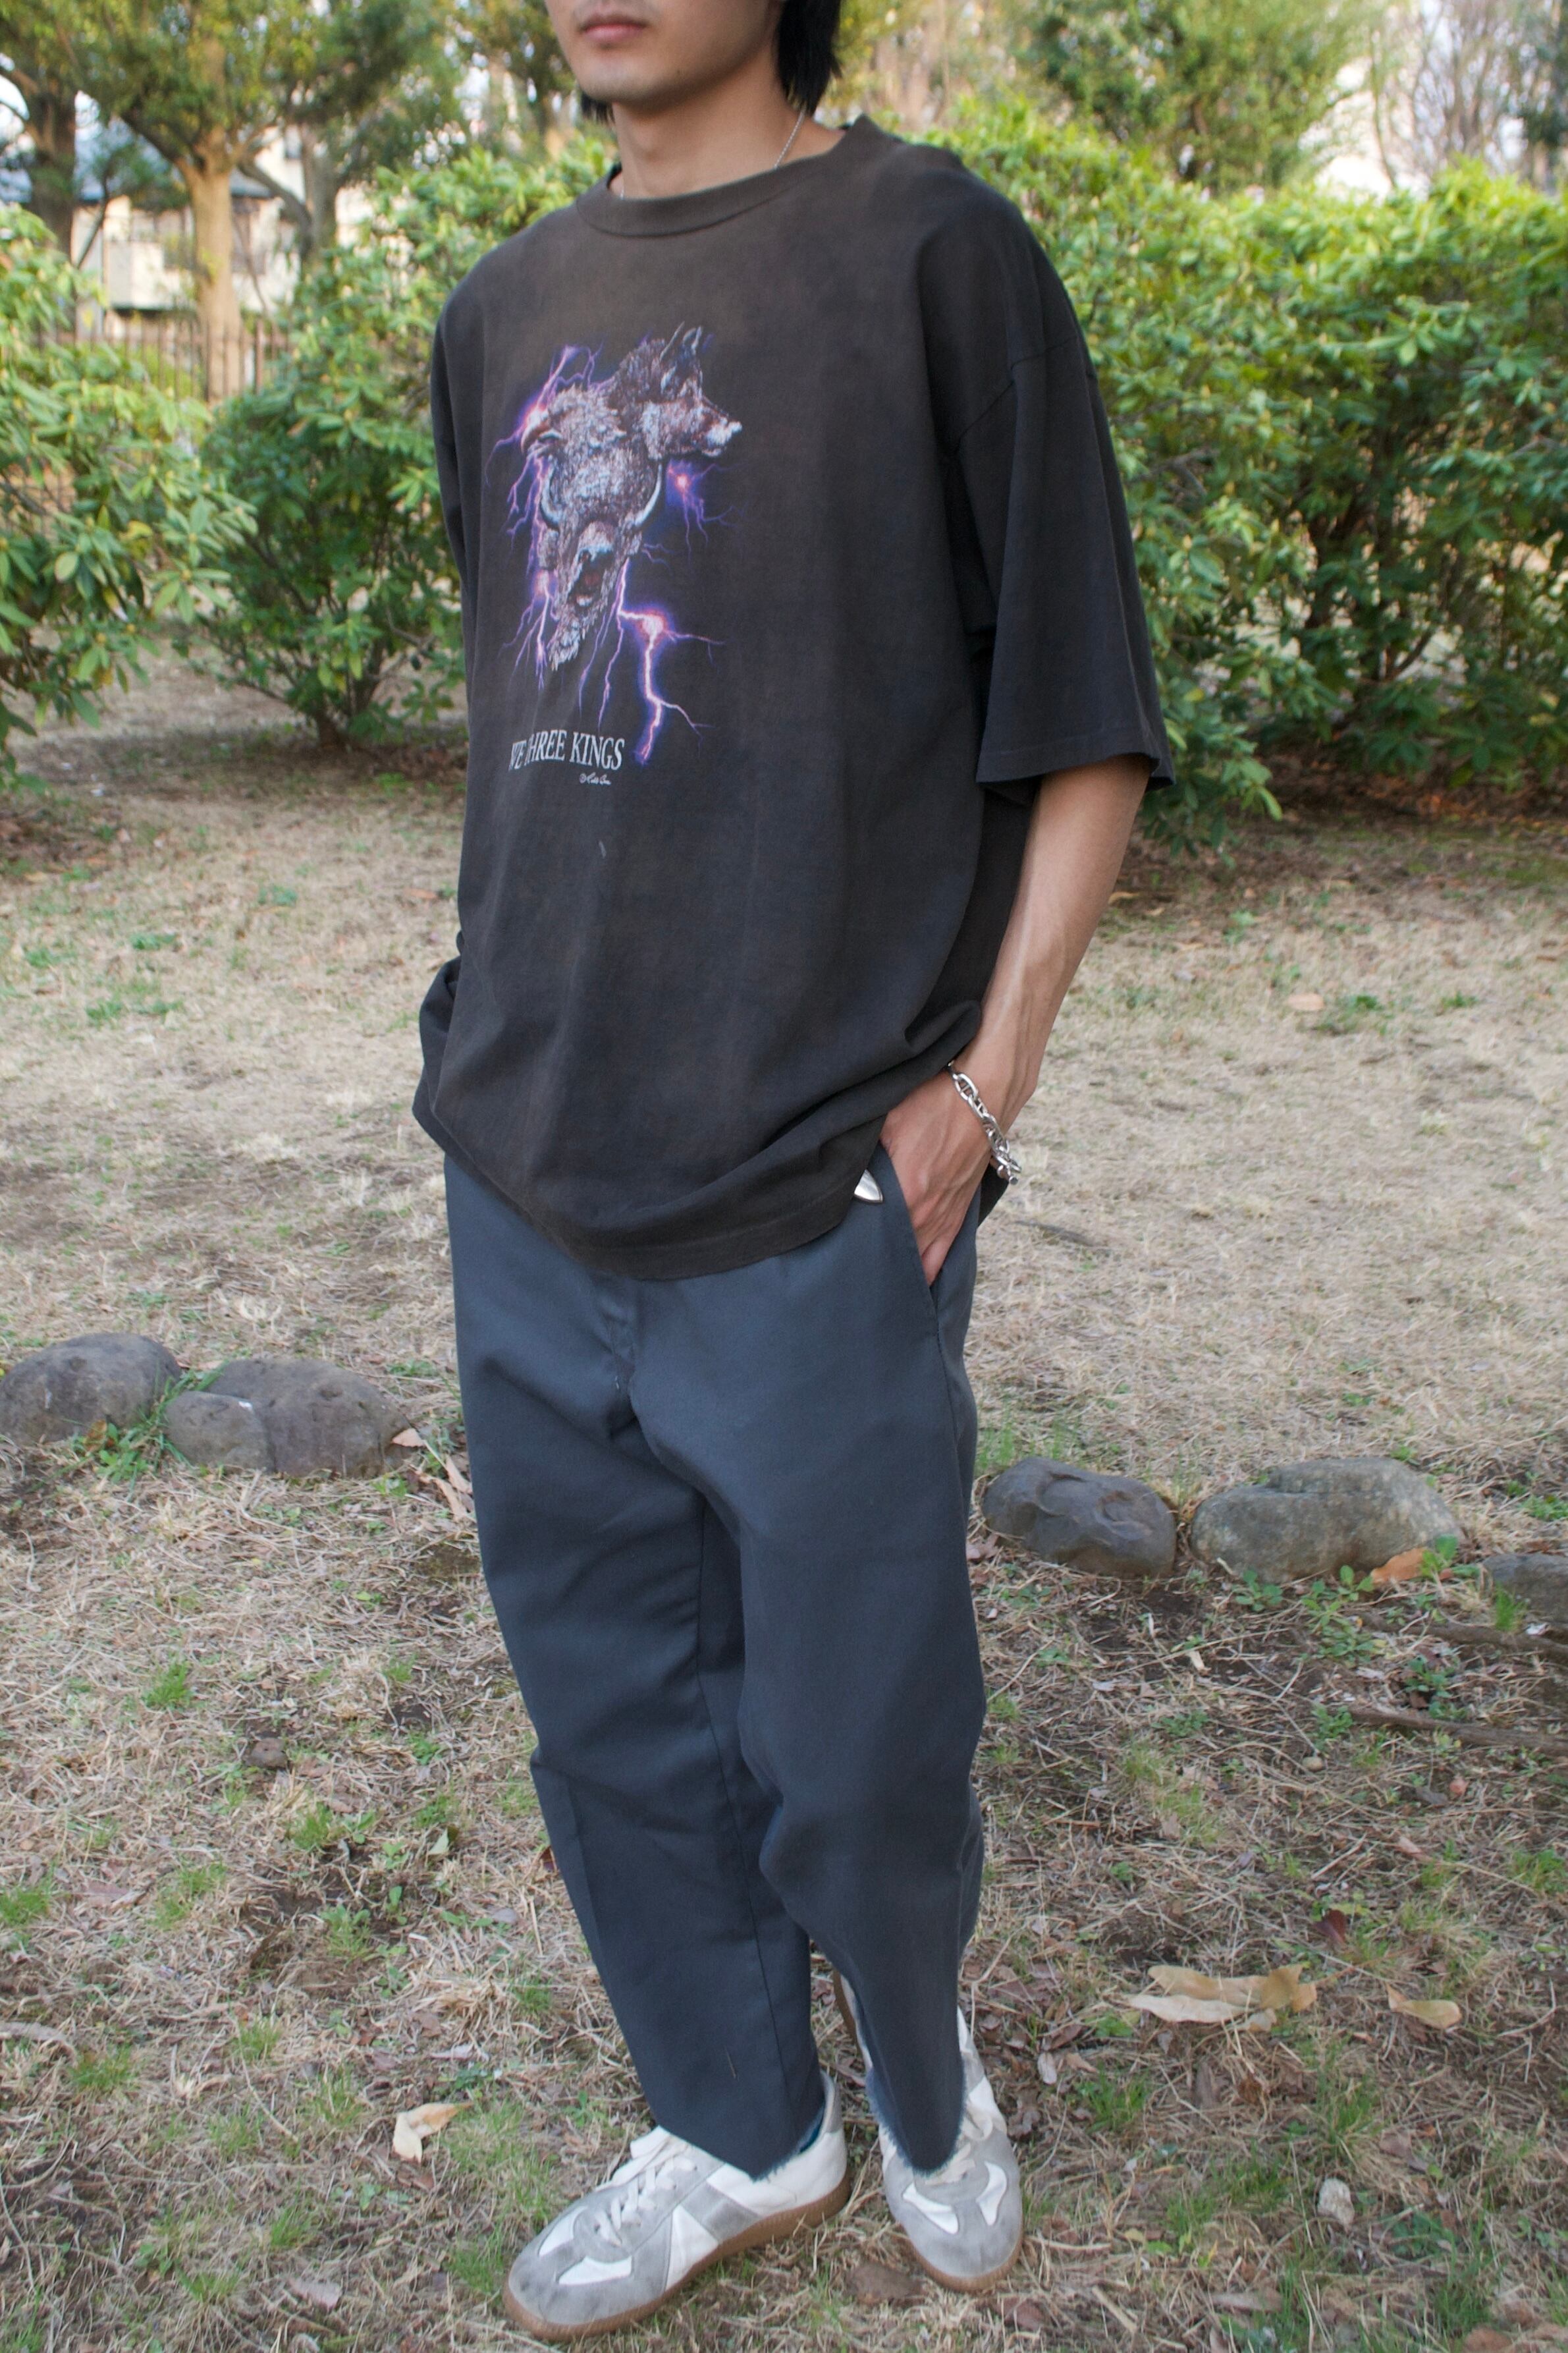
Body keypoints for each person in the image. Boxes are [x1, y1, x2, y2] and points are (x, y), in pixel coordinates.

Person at [415, 0, 1171, 2334]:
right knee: (614, 1712)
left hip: (824, 1180)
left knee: (860, 1742)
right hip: (530, 1157)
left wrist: (982, 1094)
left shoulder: (935, 256)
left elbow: (1086, 713)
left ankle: (923, 2074)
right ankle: (742, 2116)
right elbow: (537, 709)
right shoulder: (504, 311)